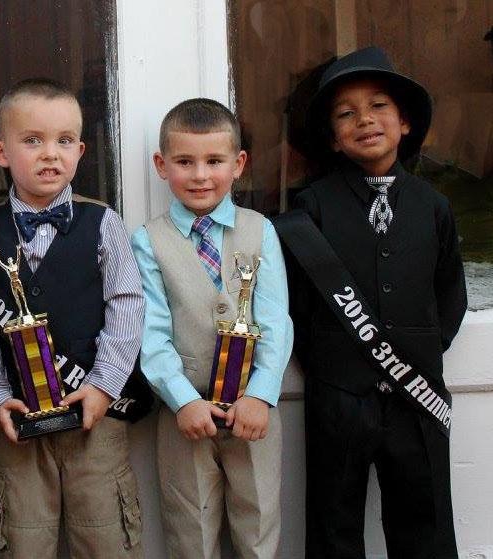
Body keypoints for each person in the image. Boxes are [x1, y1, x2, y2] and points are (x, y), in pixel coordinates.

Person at [279, 46, 467, 559]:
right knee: (332, 522)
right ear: (333, 140)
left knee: (425, 520)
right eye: (345, 113)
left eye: (379, 105)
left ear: (405, 123)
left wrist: (418, 352)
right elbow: (294, 302)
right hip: (339, 394)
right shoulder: (310, 209)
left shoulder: (435, 207)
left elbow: (450, 292)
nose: (364, 119)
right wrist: (331, 365)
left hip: (417, 394)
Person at [0, 78, 146, 558]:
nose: (50, 154)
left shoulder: (102, 222)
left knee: (107, 540)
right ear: (0, 151)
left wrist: (104, 384)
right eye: (32, 141)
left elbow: (127, 306)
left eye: (64, 141)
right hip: (16, 425)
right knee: (20, 546)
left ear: (80, 150)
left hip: (96, 417)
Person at [131, 98, 293, 558]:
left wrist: (261, 395)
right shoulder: (148, 241)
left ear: (238, 164)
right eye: (185, 162)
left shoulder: (259, 230)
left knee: (258, 520)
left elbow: (276, 320)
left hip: (253, 413)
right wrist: (182, 400)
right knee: (190, 527)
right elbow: (152, 333)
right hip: (186, 414)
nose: (200, 175)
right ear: (162, 166)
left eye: (214, 161)